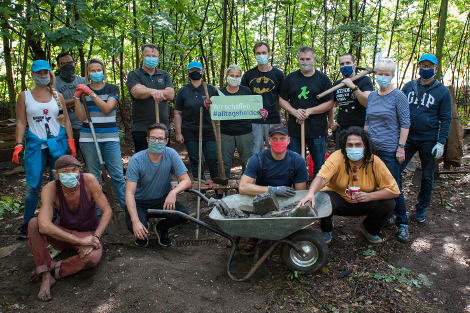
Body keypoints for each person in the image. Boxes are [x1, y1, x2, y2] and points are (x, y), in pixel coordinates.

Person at [27, 155, 112, 301]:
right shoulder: (50, 188)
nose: (71, 174)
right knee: (34, 224)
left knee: (92, 258)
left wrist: (95, 237)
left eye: (74, 170)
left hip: (88, 232)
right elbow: (44, 225)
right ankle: (46, 277)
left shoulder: (89, 181)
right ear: (57, 174)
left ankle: (51, 266)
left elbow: (107, 211)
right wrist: (80, 241)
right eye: (65, 171)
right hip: (63, 233)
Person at [298, 127, 400, 244]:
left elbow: (394, 191)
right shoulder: (337, 157)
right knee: (321, 197)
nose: (353, 148)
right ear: (344, 146)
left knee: (389, 203)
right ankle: (326, 230)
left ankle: (369, 229)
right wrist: (310, 193)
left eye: (358, 144)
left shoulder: (374, 161)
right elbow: (321, 177)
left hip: (364, 201)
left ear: (365, 146)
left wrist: (370, 196)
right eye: (349, 145)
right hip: (338, 200)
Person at [13, 60, 76, 239]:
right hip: (36, 146)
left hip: (57, 144)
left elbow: (66, 121)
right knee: (33, 185)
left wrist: (71, 142)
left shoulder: (57, 96)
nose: (42, 76)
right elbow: (21, 122)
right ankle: (27, 223)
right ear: (32, 75)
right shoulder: (24, 96)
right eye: (39, 73)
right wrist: (18, 145)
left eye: (45, 72)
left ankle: (57, 218)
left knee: (57, 182)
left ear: (50, 74)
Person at [399, 53, 452, 223]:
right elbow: (398, 111)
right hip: (407, 138)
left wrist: (441, 142)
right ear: (419, 67)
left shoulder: (442, 91)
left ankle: (421, 207)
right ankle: (396, 206)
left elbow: (446, 118)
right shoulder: (408, 87)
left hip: (429, 138)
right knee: (396, 170)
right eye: (423, 66)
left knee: (427, 175)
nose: (426, 69)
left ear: (436, 68)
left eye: (429, 66)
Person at [239, 124, 309, 249]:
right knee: (256, 211)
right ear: (269, 140)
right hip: (261, 203)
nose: (278, 142)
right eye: (274, 139)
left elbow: (300, 193)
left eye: (282, 139)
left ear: (288, 140)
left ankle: (288, 232)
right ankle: (254, 234)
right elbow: (243, 187)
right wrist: (272, 190)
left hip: (286, 202)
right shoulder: (258, 159)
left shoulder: (297, 160)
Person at [365, 58, 410, 243]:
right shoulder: (372, 96)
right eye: (379, 74)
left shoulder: (398, 96)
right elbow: (367, 121)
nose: (382, 77)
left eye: (386, 74)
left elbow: (406, 123)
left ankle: (403, 223)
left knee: (394, 187)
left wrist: (401, 147)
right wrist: (364, 145)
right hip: (372, 149)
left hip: (390, 150)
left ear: (392, 75)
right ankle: (386, 217)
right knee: (377, 186)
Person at [73, 58, 126, 211]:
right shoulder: (83, 92)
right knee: (93, 176)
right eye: (92, 70)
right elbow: (82, 117)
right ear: (87, 74)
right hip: (89, 138)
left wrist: (91, 93)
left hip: (110, 138)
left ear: (103, 71)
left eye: (98, 70)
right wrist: (77, 97)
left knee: (117, 175)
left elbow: (107, 108)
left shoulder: (112, 88)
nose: (96, 73)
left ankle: (127, 210)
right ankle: (98, 212)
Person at [125, 123, 191, 247]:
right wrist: (135, 221)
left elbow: (186, 180)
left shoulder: (171, 154)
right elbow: (129, 193)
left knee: (183, 215)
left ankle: (161, 228)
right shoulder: (136, 160)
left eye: (160, 139)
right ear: (147, 140)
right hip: (140, 201)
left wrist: (173, 192)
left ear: (166, 141)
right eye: (153, 138)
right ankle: (143, 226)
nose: (156, 141)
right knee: (133, 226)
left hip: (162, 199)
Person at [279, 46, 334, 177]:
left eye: (308, 59)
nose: (305, 62)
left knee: (319, 164)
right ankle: (298, 190)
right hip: (295, 129)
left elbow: (330, 103)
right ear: (298, 59)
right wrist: (294, 111)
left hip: (317, 129)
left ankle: (318, 192)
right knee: (295, 163)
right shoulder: (290, 78)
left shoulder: (323, 79)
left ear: (314, 59)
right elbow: (282, 99)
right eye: (302, 59)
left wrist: (309, 111)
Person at [174, 61, 219, 183]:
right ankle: (200, 187)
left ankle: (217, 189)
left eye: (198, 70)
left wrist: (212, 106)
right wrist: (178, 133)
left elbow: (220, 109)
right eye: (192, 70)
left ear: (202, 72)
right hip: (190, 131)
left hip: (209, 130)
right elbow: (178, 113)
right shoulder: (183, 91)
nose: (195, 72)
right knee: (195, 159)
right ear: (188, 73)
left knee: (213, 159)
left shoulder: (210, 89)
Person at [127, 44, 175, 152]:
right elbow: (137, 93)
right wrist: (152, 91)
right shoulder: (134, 74)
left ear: (158, 58)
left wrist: (146, 89)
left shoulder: (164, 75)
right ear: (143, 57)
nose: (151, 58)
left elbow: (170, 94)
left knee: (164, 160)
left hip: (163, 128)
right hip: (141, 128)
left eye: (154, 56)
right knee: (143, 160)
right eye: (148, 55)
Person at [241, 41, 285, 154]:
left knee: (276, 151)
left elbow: (281, 98)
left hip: (274, 118)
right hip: (254, 120)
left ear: (269, 54)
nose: (261, 55)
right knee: (255, 152)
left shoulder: (278, 74)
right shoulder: (248, 75)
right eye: (258, 53)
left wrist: (275, 110)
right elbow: (244, 98)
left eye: (264, 52)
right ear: (255, 55)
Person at [330, 53, 374, 149]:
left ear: (355, 64)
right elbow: (330, 105)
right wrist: (331, 122)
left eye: (348, 63)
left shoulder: (365, 81)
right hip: (342, 131)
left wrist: (353, 87)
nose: (345, 66)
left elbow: (367, 103)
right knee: (341, 160)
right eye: (342, 64)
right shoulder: (338, 84)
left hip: (361, 130)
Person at [219, 64, 254, 177]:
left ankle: (246, 188)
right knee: (224, 162)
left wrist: (261, 112)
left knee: (246, 161)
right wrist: (209, 105)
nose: (234, 78)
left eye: (237, 76)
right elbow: (214, 112)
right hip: (225, 132)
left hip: (244, 131)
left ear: (240, 77)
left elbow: (253, 108)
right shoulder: (219, 93)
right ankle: (224, 192)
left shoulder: (246, 91)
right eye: (232, 75)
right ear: (226, 76)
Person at [54, 52, 87, 157]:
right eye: (63, 64)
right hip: (64, 129)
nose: (67, 65)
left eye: (70, 62)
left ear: (74, 63)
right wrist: (78, 100)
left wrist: (66, 102)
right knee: (68, 161)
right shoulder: (54, 83)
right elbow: (56, 104)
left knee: (91, 160)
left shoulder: (83, 81)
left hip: (85, 127)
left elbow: (89, 99)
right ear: (58, 66)